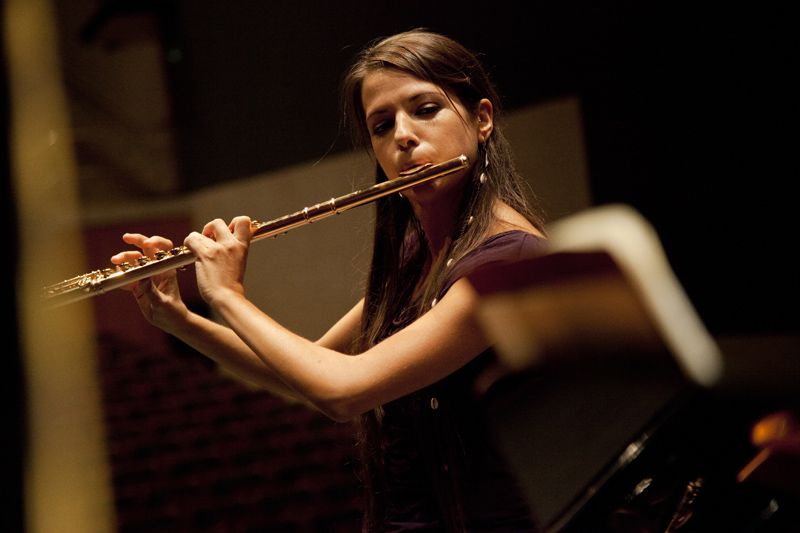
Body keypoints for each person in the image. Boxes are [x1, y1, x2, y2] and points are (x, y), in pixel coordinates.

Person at [112, 29, 548, 532]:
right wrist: (176, 317)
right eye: (382, 126)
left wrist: (228, 296)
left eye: (425, 109)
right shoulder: (419, 256)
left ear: (482, 118)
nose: (403, 136)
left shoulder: (506, 263)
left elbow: (343, 391)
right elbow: (309, 371)